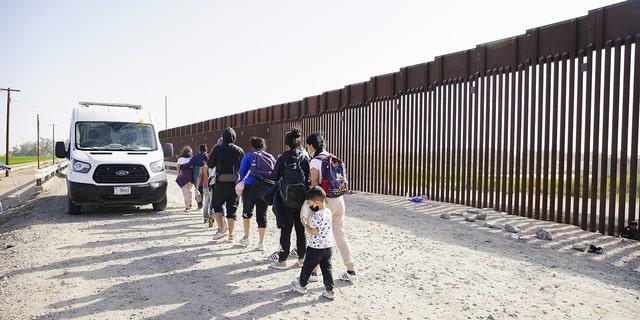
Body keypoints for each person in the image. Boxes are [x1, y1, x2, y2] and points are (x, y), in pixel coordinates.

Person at [305, 132, 358, 281]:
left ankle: (314, 273)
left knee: (317, 235)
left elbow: (315, 184)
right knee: (340, 235)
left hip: (325, 201)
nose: (308, 148)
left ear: (312, 146)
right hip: (339, 200)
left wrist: (312, 204)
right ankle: (351, 270)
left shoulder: (315, 161)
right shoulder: (331, 157)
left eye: (308, 146)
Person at [269, 127, 310, 269]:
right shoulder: (304, 158)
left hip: (285, 198)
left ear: (287, 145)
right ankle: (301, 259)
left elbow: (274, 177)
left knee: (286, 230)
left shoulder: (282, 158)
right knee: (300, 229)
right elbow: (308, 179)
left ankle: (283, 261)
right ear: (299, 144)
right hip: (301, 199)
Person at [290, 186, 335, 299]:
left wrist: (304, 223)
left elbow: (312, 231)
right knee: (327, 269)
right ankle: (330, 290)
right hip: (328, 246)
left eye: (311, 203)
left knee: (307, 267)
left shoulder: (317, 215)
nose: (310, 206)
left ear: (317, 202)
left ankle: (302, 285)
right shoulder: (328, 212)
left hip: (316, 247)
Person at [237, 137, 276, 251]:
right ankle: (261, 243)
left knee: (247, 212)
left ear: (252, 146)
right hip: (264, 187)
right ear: (264, 145)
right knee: (262, 214)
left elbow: (242, 172)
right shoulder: (270, 157)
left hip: (250, 187)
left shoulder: (248, 156)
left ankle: (247, 237)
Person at [207, 127, 244, 241]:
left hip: (221, 183)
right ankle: (231, 235)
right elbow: (243, 167)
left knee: (216, 206)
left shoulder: (218, 149)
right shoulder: (239, 150)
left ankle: (221, 228)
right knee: (232, 209)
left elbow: (210, 164)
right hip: (234, 183)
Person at [183, 144, 208, 209]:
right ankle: (208, 206)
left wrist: (181, 166)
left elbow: (189, 165)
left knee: (199, 191)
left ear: (199, 150)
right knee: (208, 192)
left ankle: (200, 205)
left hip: (198, 178)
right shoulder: (209, 156)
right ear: (206, 150)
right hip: (207, 178)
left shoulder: (195, 157)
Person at [175, 146, 194, 211]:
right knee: (190, 190)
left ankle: (187, 207)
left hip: (183, 175)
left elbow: (178, 167)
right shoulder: (191, 158)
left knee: (185, 191)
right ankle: (191, 204)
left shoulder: (180, 159)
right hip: (191, 175)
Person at [196, 158, 213, 227]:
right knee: (212, 201)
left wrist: (197, 186)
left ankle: (205, 217)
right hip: (212, 186)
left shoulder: (202, 168)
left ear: (203, 161)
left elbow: (199, 177)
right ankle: (211, 215)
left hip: (205, 186)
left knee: (206, 201)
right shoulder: (212, 168)